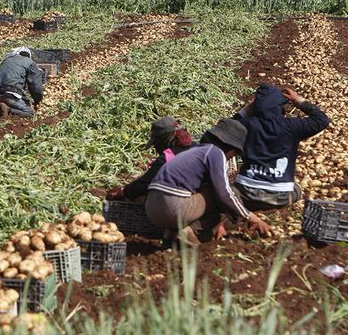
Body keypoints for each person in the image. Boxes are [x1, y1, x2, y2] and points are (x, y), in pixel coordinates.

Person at [144, 118, 272, 246]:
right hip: (173, 207)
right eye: (233, 154)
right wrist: (251, 217)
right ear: (231, 148)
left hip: (152, 209)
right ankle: (188, 232)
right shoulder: (215, 153)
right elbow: (224, 194)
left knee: (208, 191)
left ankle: (169, 239)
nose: (230, 158)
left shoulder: (196, 151)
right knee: (229, 192)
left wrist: (218, 224)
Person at [233, 84, 330, 211]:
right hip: (280, 195)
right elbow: (322, 120)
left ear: (256, 106)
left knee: (224, 191)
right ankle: (272, 206)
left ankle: (242, 210)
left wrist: (249, 108)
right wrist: (298, 100)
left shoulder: (246, 125)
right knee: (297, 189)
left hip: (246, 192)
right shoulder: (291, 126)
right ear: (280, 107)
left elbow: (227, 126)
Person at [106, 116, 196, 201]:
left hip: (184, 204)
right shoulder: (199, 148)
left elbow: (145, 183)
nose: (156, 147)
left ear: (164, 139)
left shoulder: (168, 158)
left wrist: (123, 192)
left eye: (156, 143)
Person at [0, 47, 43, 118]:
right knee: (31, 114)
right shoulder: (30, 63)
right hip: (11, 93)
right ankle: (9, 111)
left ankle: (3, 106)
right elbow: (35, 86)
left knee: (7, 101)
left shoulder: (6, 61)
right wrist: (37, 100)